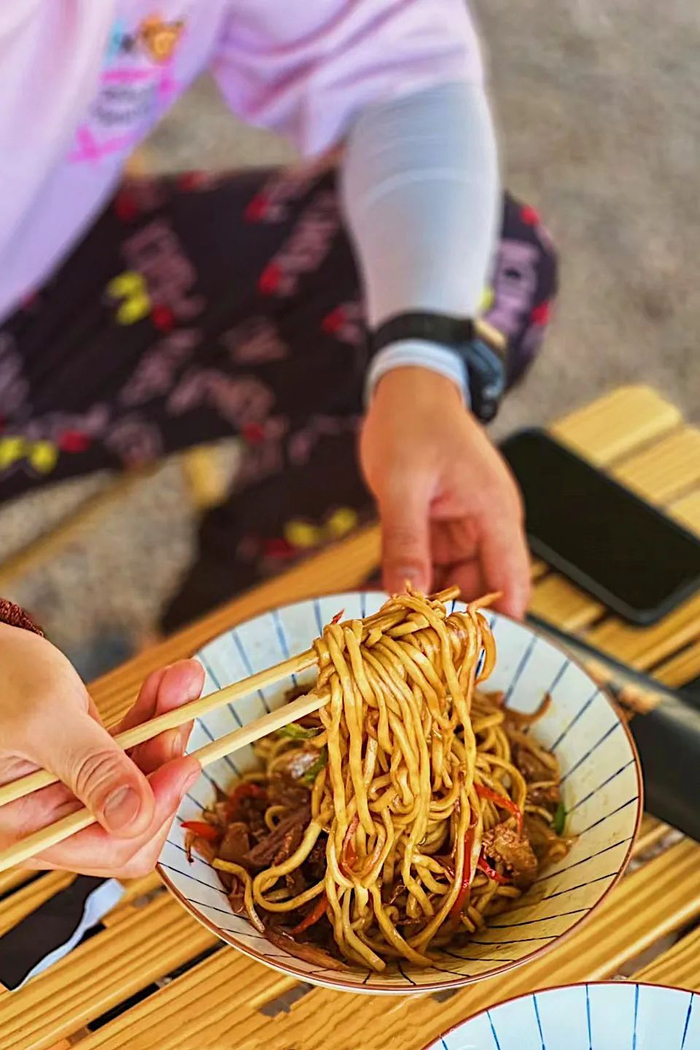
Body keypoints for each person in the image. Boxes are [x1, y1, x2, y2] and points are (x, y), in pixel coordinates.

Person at [0, 2, 557, 877]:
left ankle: (215, 671)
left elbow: (396, 65)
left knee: (487, 271)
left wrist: (419, 365)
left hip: (32, 279)